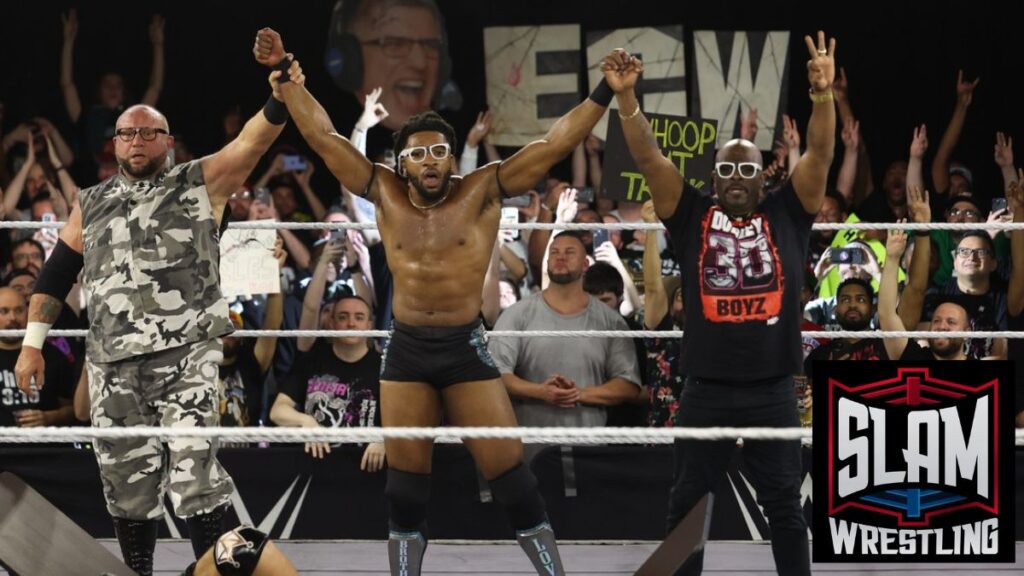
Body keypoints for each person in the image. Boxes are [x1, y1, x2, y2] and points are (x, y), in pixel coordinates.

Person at [258, 27, 623, 576]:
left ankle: (555, 574)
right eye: (417, 153)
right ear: (401, 162)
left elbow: (555, 145)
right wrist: (287, 75)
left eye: (438, 151)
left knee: (513, 478)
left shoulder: (484, 188)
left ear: (451, 158)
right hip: (406, 350)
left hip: (464, 347)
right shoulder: (381, 189)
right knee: (404, 492)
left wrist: (604, 92)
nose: (429, 161)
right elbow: (327, 139)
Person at [14, 53, 301, 574]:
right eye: (127, 133)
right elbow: (56, 273)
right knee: (126, 485)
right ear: (114, 142)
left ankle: (212, 573)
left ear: (168, 142)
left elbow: (251, 143)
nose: (137, 141)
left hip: (186, 358)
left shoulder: (200, 182)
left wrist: (277, 97)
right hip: (112, 363)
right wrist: (32, 342)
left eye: (150, 133)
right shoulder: (91, 201)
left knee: (196, 476)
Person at [608, 32, 837, 575]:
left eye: (747, 168)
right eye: (727, 169)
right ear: (713, 177)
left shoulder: (790, 210)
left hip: (773, 388)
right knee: (687, 502)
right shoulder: (689, 214)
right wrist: (625, 100)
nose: (737, 177)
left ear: (765, 174)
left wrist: (823, 96)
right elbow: (648, 154)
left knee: (784, 503)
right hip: (706, 387)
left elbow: (822, 152)